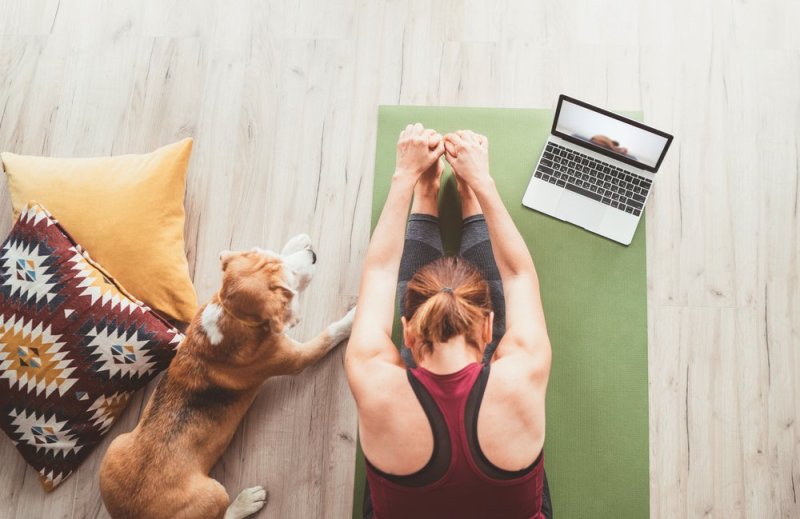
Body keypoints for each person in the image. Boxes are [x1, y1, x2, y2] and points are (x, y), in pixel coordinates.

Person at [345, 123, 553, 519]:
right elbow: (518, 275)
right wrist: (482, 183)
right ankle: (468, 198)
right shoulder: (522, 371)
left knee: (441, 338)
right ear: (490, 331)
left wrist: (407, 178)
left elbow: (380, 273)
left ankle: (427, 195)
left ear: (406, 331)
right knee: (499, 344)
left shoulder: (375, 381)